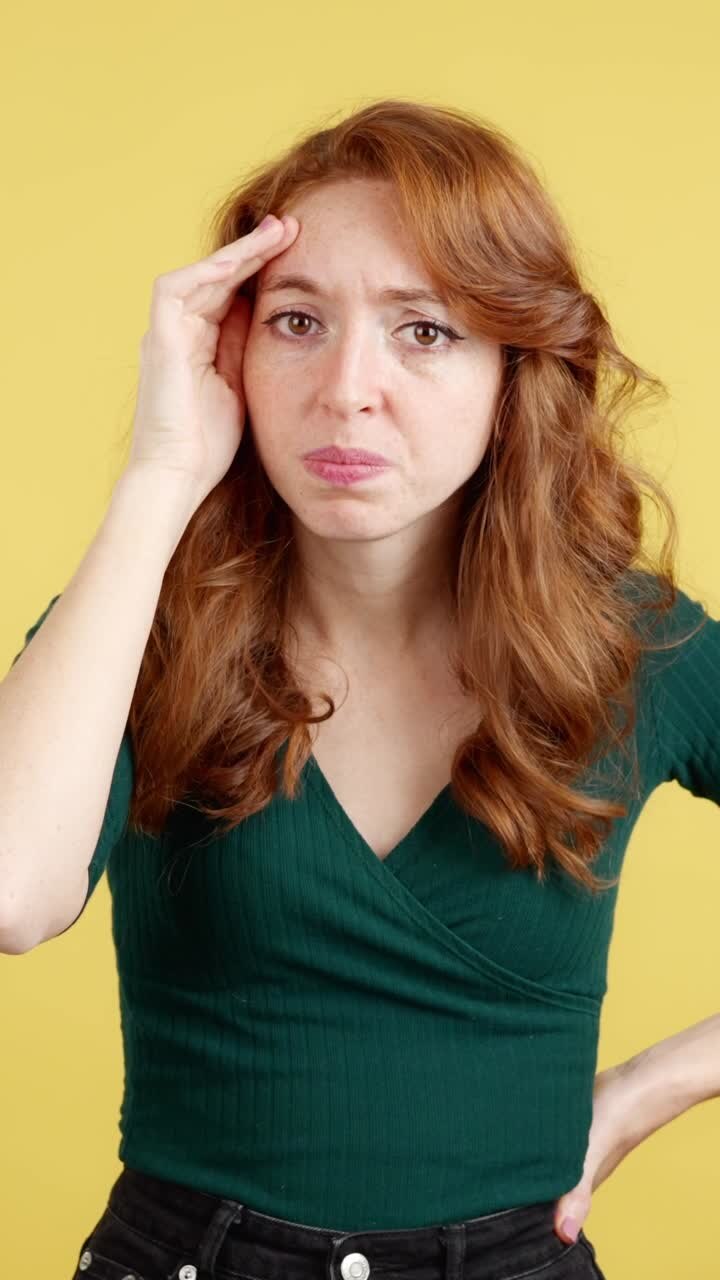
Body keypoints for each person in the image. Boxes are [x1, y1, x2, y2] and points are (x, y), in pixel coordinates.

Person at [3, 97, 718, 1280]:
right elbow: (10, 893)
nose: (347, 389)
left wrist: (653, 1085)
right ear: (232, 352)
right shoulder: (135, 624)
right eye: (297, 321)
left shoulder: (633, 644)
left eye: (423, 330)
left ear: (513, 369)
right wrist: (160, 474)